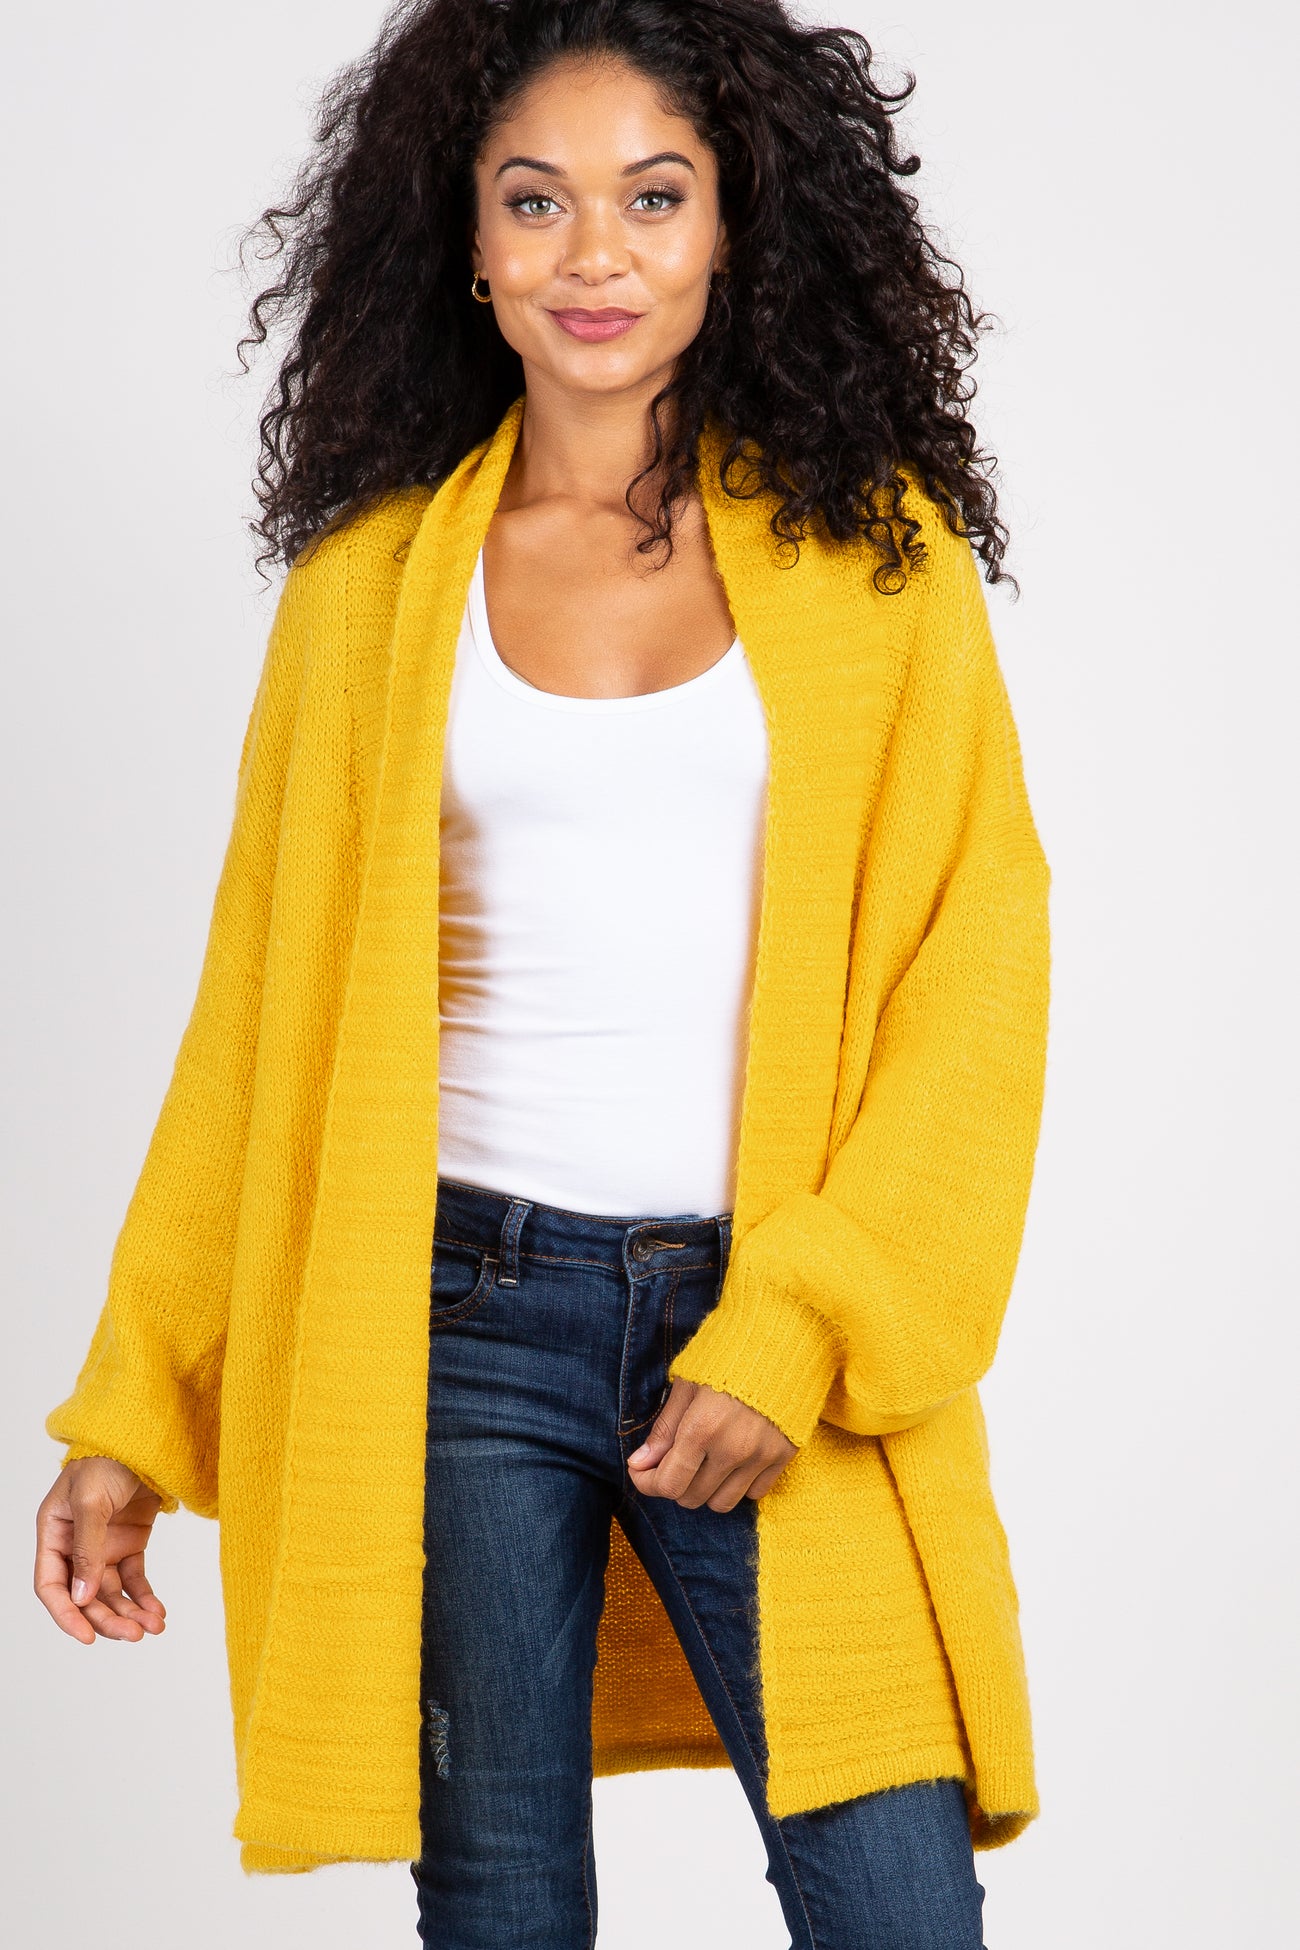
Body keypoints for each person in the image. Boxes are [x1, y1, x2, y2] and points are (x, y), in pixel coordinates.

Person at [34, 2, 1051, 1944]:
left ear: (733, 226)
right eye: (536, 200)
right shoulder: (367, 594)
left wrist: (795, 1330)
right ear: (468, 242)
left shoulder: (878, 570)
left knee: (894, 1902)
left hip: (760, 1307)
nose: (596, 252)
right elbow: (256, 1026)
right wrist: (131, 1410)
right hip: (455, 1322)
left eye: (653, 196)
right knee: (498, 1906)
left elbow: (973, 980)